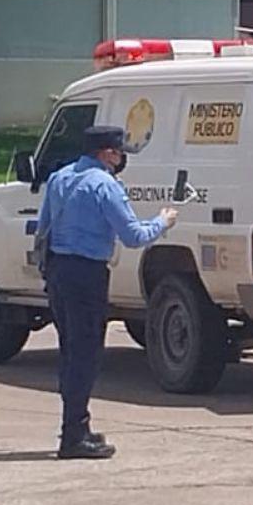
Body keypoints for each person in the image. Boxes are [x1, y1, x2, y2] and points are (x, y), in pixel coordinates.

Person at [36, 126, 177, 459]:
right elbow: (133, 236)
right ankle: (72, 436)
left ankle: (77, 425)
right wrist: (163, 221)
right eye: (118, 151)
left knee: (70, 348)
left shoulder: (60, 178)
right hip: (86, 273)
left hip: (59, 270)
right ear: (107, 153)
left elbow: (43, 228)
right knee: (86, 353)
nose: (121, 157)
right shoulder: (104, 185)